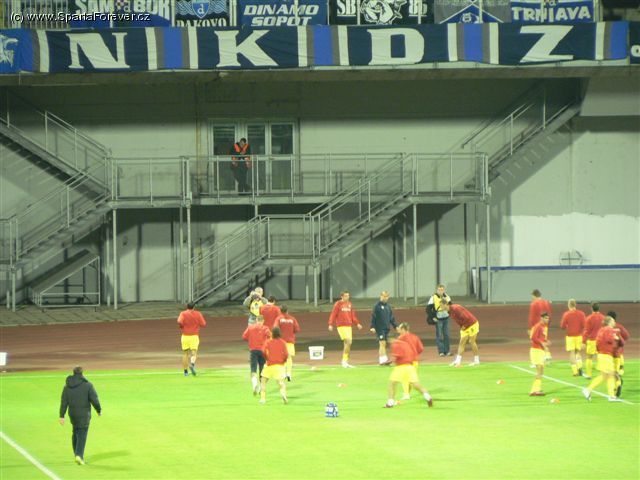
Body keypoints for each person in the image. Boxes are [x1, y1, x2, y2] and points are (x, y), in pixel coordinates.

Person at [59, 366, 102, 465]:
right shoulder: (88, 385)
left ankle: (76, 454)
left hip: (73, 415)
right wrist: (98, 410)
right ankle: (79, 455)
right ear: (82, 373)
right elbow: (94, 399)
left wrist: (62, 415)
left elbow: (64, 402)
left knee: (75, 432)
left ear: (73, 373)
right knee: (82, 434)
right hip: (84, 415)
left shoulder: (67, 386)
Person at [384, 337, 433, 408]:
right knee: (416, 385)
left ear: (391, 339)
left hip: (400, 367)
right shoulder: (406, 344)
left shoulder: (395, 345)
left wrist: (388, 362)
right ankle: (427, 396)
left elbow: (395, 357)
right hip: (410, 366)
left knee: (392, 384)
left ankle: (390, 403)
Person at [582, 316, 622, 402]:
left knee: (609, 375)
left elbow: (598, 342)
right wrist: (615, 337)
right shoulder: (609, 329)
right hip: (606, 355)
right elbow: (609, 339)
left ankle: (611, 396)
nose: (614, 322)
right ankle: (588, 389)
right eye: (613, 321)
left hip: (602, 354)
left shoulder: (601, 330)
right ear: (609, 322)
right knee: (607, 375)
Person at [328, 291, 363, 368]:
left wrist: (357, 323)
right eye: (346, 296)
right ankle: (344, 361)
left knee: (348, 344)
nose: (348, 297)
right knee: (348, 341)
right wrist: (330, 324)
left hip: (348, 326)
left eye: (348, 296)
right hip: (341, 326)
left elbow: (353, 316)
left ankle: (345, 361)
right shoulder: (338, 304)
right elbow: (333, 314)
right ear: (342, 296)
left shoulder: (350, 304)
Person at [444, 301, 480, 367]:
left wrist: (464, 326)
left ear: (446, 304)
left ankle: (476, 360)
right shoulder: (449, 312)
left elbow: (466, 317)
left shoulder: (456, 308)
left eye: (441, 305)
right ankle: (458, 361)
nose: (440, 307)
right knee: (461, 343)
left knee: (472, 341)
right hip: (464, 327)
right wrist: (462, 326)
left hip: (472, 324)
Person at [242, 315, 271, 395]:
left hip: (253, 351)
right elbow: (270, 336)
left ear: (256, 320)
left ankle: (255, 384)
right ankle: (261, 388)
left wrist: (251, 339)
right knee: (262, 370)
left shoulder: (250, 327)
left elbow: (244, 336)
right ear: (263, 321)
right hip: (262, 351)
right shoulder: (265, 328)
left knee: (253, 369)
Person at [260, 327, 289, 404]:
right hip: (279, 366)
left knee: (263, 381)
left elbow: (263, 351)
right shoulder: (283, 342)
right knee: (281, 383)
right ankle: (283, 395)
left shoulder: (268, 342)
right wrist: (283, 360)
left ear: (272, 333)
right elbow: (286, 354)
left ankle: (263, 399)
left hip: (269, 365)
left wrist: (266, 358)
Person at [177, 302, 207, 376]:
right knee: (194, 352)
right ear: (194, 307)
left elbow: (179, 321)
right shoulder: (198, 314)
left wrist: (182, 326)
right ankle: (192, 364)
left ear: (187, 307)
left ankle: (185, 372)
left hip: (185, 336)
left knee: (185, 354)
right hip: (194, 336)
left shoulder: (183, 313)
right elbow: (203, 324)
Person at [397, 322, 424, 400]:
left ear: (403, 329)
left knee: (404, 378)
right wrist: (415, 354)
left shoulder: (401, 338)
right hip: (415, 361)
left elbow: (398, 350)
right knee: (411, 379)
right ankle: (407, 393)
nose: (398, 329)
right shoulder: (415, 337)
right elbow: (421, 348)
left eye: (399, 328)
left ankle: (406, 394)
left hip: (405, 361)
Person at [369, 291, 398, 365]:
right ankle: (383, 360)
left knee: (384, 343)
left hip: (386, 328)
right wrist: (372, 326)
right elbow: (373, 316)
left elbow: (391, 318)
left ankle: (382, 360)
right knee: (382, 343)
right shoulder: (377, 306)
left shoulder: (388, 306)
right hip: (379, 328)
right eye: (384, 296)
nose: (385, 298)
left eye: (386, 296)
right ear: (381, 296)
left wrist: (395, 326)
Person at [560, 299, 586, 377]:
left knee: (572, 353)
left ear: (569, 305)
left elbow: (562, 326)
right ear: (575, 305)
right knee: (578, 352)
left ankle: (575, 371)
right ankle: (580, 367)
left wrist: (568, 326)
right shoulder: (581, 314)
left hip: (570, 336)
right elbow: (584, 325)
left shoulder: (566, 314)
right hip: (579, 336)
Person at [275, 305, 300, 382]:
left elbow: (275, 328)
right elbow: (297, 329)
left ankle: (283, 373)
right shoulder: (292, 319)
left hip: (280, 341)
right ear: (287, 310)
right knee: (289, 358)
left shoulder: (278, 319)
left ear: (280, 311)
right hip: (290, 341)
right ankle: (289, 373)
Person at [608, 311, 629, 398]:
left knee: (611, 373)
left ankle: (615, 387)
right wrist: (619, 343)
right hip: (619, 354)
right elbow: (626, 336)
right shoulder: (619, 327)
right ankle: (619, 382)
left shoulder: (607, 328)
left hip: (609, 354)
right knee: (619, 369)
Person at [426, 284, 452, 357]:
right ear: (436, 290)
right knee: (439, 336)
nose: (441, 291)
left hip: (446, 318)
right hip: (438, 319)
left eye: (442, 289)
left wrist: (450, 314)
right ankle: (441, 351)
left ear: (444, 290)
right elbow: (428, 309)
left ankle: (447, 351)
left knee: (447, 335)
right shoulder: (433, 297)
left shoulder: (447, 297)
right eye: (439, 290)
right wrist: (433, 317)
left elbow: (451, 306)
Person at [529, 313, 550, 396]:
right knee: (539, 370)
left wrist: (546, 342)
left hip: (540, 351)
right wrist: (542, 343)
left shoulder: (545, 327)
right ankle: (534, 391)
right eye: (546, 318)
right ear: (541, 318)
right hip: (536, 350)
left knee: (541, 370)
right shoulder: (538, 326)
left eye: (548, 318)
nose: (547, 320)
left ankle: (536, 389)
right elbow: (533, 337)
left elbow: (542, 338)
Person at [528, 289, 552, 363]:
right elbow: (549, 314)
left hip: (536, 326)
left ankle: (535, 360)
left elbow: (532, 317)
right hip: (545, 326)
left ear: (534, 296)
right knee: (543, 340)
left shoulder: (534, 304)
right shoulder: (546, 302)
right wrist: (548, 324)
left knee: (535, 341)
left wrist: (530, 328)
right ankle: (547, 355)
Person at [582, 302, 604, 379]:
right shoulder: (603, 318)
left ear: (591, 308)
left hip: (592, 340)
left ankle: (589, 374)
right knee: (601, 356)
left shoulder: (589, 318)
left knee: (589, 357)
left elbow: (586, 331)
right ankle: (603, 373)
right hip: (601, 340)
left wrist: (583, 341)